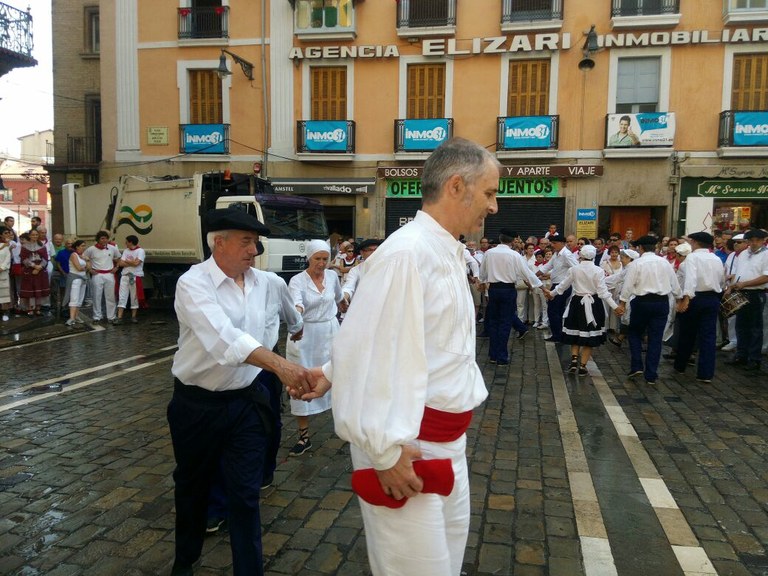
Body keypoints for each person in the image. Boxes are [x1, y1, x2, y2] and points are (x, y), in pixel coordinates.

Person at [301, 138, 500, 575]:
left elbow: (405, 335)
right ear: (455, 186)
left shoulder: (447, 250)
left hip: (446, 443)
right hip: (408, 445)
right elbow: (365, 340)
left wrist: (333, 372)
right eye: (489, 192)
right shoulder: (406, 254)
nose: (495, 206)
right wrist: (386, 454)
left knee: (445, 566)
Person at [167, 208, 315, 576]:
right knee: (192, 487)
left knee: (245, 495)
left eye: (255, 241)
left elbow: (278, 325)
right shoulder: (193, 283)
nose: (255, 249)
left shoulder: (266, 282)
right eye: (246, 241)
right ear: (219, 243)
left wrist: (281, 363)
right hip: (197, 405)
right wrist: (283, 367)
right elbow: (224, 340)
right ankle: (186, 559)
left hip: (247, 401)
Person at [285, 239, 343, 456]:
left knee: (339, 375)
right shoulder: (297, 281)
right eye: (317, 259)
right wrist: (298, 313)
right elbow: (296, 302)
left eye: (325, 259)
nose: (321, 263)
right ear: (309, 258)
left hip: (330, 332)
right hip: (306, 335)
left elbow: (338, 298)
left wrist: (344, 303)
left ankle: (345, 425)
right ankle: (303, 435)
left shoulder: (332, 276)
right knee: (301, 381)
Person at [616, 235, 682, 385]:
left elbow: (628, 286)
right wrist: (679, 299)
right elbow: (675, 284)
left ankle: (637, 365)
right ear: (656, 247)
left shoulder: (637, 264)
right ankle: (651, 373)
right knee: (656, 338)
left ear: (640, 248)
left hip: (642, 302)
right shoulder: (665, 263)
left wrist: (622, 303)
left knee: (634, 333)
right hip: (661, 302)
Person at [548, 244, 618, 376]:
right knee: (589, 335)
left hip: (577, 303)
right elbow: (603, 293)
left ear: (581, 255)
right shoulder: (598, 271)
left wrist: (551, 294)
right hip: (593, 304)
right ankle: (583, 366)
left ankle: (574, 360)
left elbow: (562, 286)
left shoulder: (574, 269)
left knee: (575, 333)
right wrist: (615, 307)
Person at [480, 230, 543, 365]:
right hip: (508, 289)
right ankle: (502, 356)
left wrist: (481, 282)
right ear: (512, 241)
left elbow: (483, 272)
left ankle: (493, 354)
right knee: (505, 323)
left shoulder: (489, 253)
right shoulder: (514, 255)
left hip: (494, 289)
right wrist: (542, 287)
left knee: (493, 322)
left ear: (500, 238)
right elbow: (527, 273)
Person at [672, 232, 725, 383]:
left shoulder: (692, 258)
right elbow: (721, 280)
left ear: (695, 242)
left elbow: (691, 278)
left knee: (687, 333)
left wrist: (686, 297)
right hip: (712, 297)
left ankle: (680, 365)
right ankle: (705, 373)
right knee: (708, 336)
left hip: (696, 297)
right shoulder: (716, 259)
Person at [724, 228, 768, 371]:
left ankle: (754, 358)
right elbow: (737, 273)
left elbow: (766, 277)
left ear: (763, 241)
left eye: (757, 240)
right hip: (740, 291)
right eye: (751, 240)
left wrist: (745, 284)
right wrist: (731, 287)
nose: (754, 243)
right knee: (741, 325)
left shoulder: (766, 255)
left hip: (756, 293)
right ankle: (741, 354)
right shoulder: (743, 254)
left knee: (755, 327)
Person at [537, 234, 578, 343]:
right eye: (552, 243)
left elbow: (576, 268)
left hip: (562, 286)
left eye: (554, 243)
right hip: (555, 284)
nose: (553, 245)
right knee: (557, 311)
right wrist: (534, 275)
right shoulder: (556, 254)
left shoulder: (566, 254)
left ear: (562, 243)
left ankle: (557, 335)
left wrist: (568, 279)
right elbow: (547, 267)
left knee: (553, 310)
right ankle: (559, 334)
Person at [83, 230, 121, 323]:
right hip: (97, 275)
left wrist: (117, 267)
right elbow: (84, 258)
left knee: (110, 296)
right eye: (102, 238)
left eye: (106, 238)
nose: (104, 240)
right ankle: (97, 317)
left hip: (109, 274)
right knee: (96, 296)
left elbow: (118, 258)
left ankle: (111, 317)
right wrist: (90, 269)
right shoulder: (91, 249)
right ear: (98, 239)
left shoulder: (112, 248)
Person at [115, 235, 146, 324]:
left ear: (130, 242)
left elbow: (137, 263)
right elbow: (120, 263)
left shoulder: (140, 251)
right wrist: (131, 262)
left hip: (135, 276)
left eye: (126, 242)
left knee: (134, 297)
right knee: (122, 296)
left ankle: (133, 316)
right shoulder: (126, 250)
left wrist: (127, 261)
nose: (125, 243)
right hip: (125, 275)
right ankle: (119, 317)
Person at [19, 228, 50, 316]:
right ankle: (30, 308)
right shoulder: (24, 246)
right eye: (33, 235)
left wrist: (40, 267)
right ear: (29, 236)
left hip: (40, 270)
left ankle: (38, 308)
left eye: (36, 235)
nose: (35, 236)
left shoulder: (42, 246)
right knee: (30, 289)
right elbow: (24, 258)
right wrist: (33, 266)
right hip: (29, 270)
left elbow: (45, 258)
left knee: (39, 288)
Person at [65, 240, 89, 326]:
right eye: (82, 245)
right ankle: (71, 318)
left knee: (80, 298)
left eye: (84, 245)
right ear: (77, 247)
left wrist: (87, 260)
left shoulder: (83, 256)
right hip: (75, 279)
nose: (84, 247)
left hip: (83, 279)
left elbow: (90, 266)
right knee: (74, 298)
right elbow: (78, 268)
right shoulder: (73, 255)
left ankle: (76, 316)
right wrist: (86, 267)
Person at [0, 226, 11, 321]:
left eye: (8, 233)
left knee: (4, 294)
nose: (8, 235)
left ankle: (5, 313)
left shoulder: (7, 246)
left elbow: (8, 258)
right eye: (5, 233)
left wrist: (2, 267)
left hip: (3, 272)